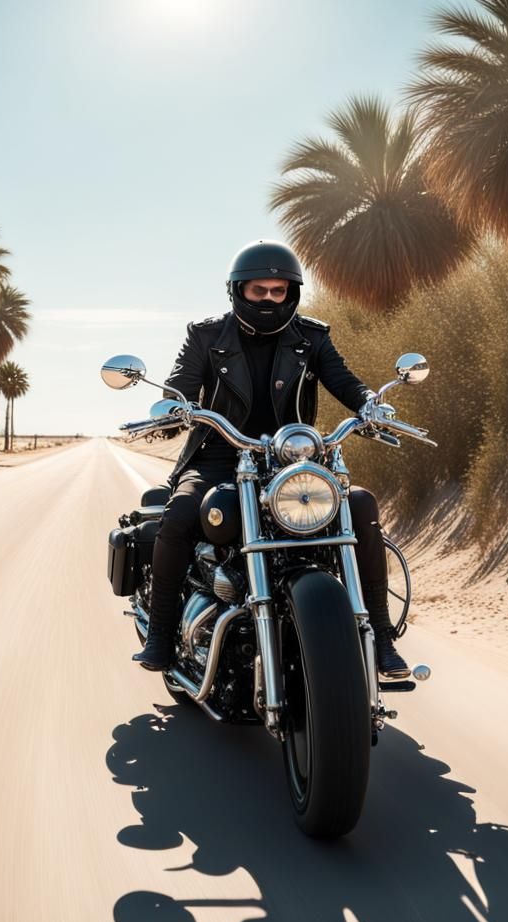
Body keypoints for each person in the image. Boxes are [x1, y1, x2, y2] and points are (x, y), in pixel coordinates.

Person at [134, 239, 410, 684]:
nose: (267, 299)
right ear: (237, 291)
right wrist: (172, 410)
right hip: (221, 454)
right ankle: (162, 635)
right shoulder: (206, 336)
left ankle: (379, 634)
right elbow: (181, 386)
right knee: (183, 511)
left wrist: (371, 406)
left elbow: (344, 380)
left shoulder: (312, 337)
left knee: (359, 506)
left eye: (277, 292)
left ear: (291, 293)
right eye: (257, 291)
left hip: (292, 458)